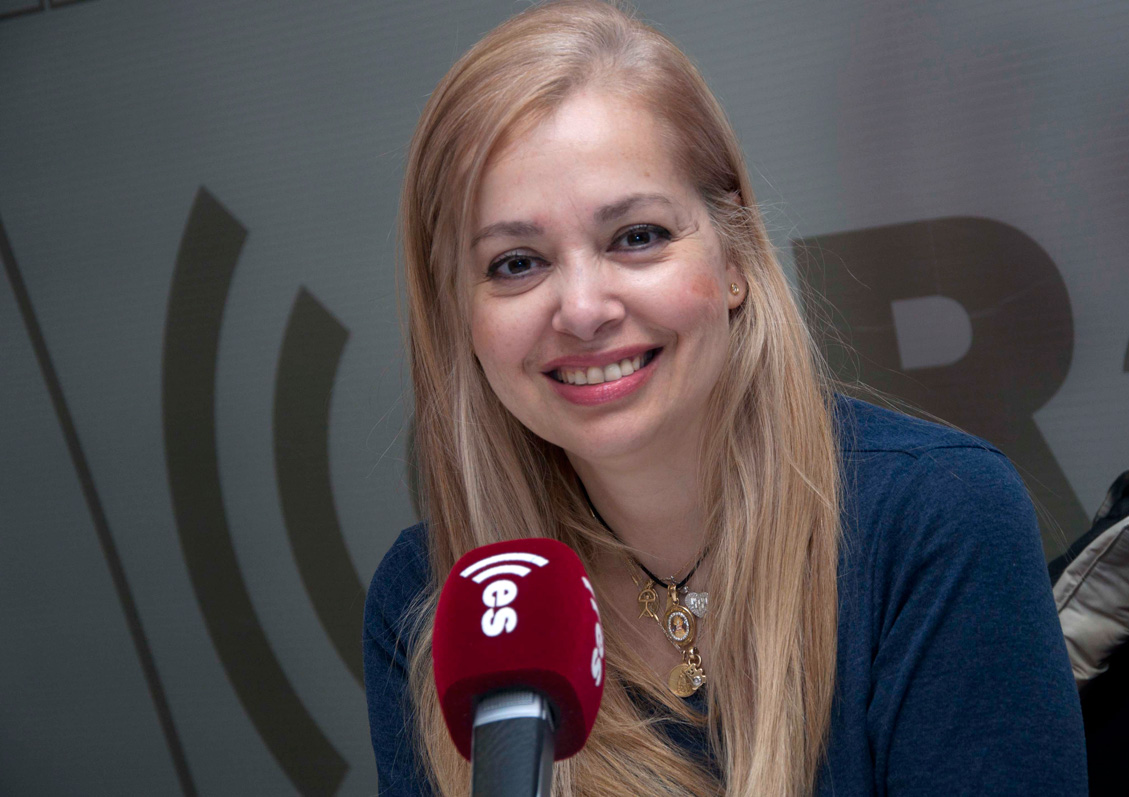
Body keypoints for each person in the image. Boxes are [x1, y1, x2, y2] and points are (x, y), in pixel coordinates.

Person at [362, 1, 1088, 794]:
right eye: (515, 263)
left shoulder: (939, 518)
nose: (583, 309)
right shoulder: (431, 602)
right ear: (459, 313)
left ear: (734, 252)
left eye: (636, 236)